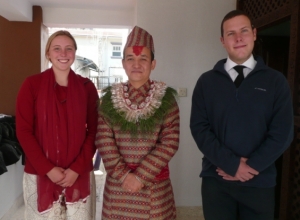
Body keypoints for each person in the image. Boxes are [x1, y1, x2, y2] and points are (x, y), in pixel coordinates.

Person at [190, 10, 293, 220]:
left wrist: (250, 166)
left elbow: (283, 133)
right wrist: (233, 164)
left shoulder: (276, 81)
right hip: (216, 181)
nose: (238, 38)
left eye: (244, 31)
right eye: (231, 33)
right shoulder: (206, 82)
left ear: (254, 34)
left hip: (259, 181)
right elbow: (200, 129)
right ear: (222, 40)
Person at [96, 26, 179, 220]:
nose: (136, 64)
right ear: (123, 63)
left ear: (153, 63)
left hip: (154, 188)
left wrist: (140, 176)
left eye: (143, 59)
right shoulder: (110, 99)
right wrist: (125, 176)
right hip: (119, 188)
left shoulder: (166, 99)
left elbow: (170, 142)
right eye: (131, 59)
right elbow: (103, 140)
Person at [16, 30, 99, 220]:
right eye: (57, 48)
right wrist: (48, 169)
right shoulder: (31, 85)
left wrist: (77, 168)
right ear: (48, 53)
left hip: (79, 175)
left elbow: (95, 131)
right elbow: (24, 131)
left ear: (74, 53)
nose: (63, 54)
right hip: (40, 173)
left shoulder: (87, 87)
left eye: (69, 48)